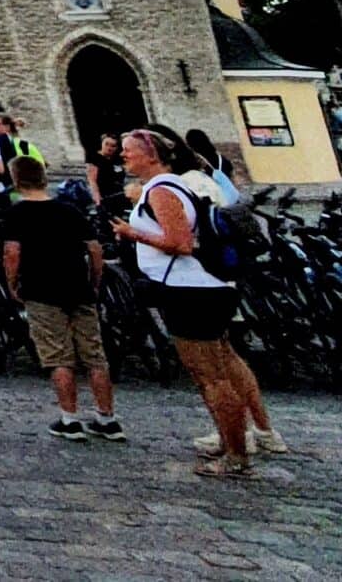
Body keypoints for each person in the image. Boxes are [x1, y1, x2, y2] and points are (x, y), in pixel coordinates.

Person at [115, 128, 283, 475]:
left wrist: (132, 233)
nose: (123, 156)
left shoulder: (162, 190)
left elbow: (180, 243)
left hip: (191, 291)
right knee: (214, 369)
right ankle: (230, 439)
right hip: (198, 289)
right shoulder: (167, 186)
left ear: (151, 154)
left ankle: (237, 456)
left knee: (212, 378)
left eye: (128, 150)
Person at [2, 153, 121, 442]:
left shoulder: (18, 214)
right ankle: (108, 418)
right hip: (78, 288)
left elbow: (12, 253)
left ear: (16, 181)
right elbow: (95, 249)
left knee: (59, 357)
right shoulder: (70, 210)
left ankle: (70, 419)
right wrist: (94, 280)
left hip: (42, 290)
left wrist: (12, 284)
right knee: (95, 356)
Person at [85, 133, 127, 218]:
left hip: (119, 196)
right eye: (106, 144)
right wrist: (97, 199)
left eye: (113, 146)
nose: (109, 148)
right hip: (105, 197)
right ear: (102, 143)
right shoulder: (95, 158)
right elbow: (92, 180)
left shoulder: (117, 159)